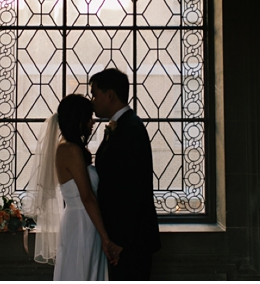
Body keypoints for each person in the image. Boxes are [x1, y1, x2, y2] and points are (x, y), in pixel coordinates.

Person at [28, 94, 123, 280]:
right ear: (78, 119)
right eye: (89, 117)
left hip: (85, 220)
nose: (93, 121)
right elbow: (87, 197)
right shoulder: (70, 150)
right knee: (80, 271)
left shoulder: (72, 148)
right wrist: (106, 238)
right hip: (82, 223)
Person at [90, 68, 161, 280]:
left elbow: (133, 188)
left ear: (110, 94)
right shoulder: (121, 126)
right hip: (122, 238)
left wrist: (120, 241)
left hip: (131, 241)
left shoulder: (131, 129)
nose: (92, 100)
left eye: (95, 94)